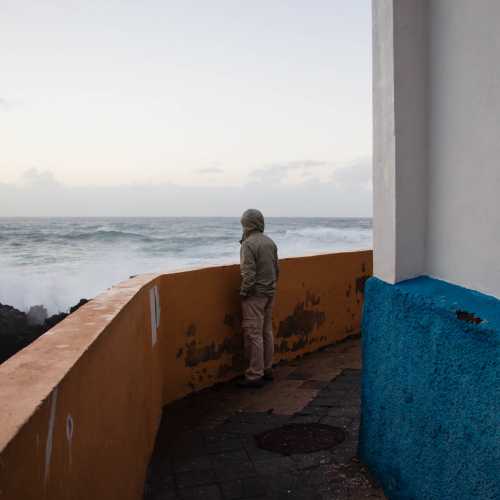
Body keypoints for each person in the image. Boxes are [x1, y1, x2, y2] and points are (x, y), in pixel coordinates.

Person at [238, 209, 279, 388]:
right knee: (266, 332)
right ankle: (267, 368)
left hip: (255, 295)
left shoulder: (248, 244)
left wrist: (244, 292)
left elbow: (248, 273)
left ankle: (255, 374)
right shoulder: (270, 242)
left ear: (246, 223)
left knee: (254, 334)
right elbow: (277, 269)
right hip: (270, 292)